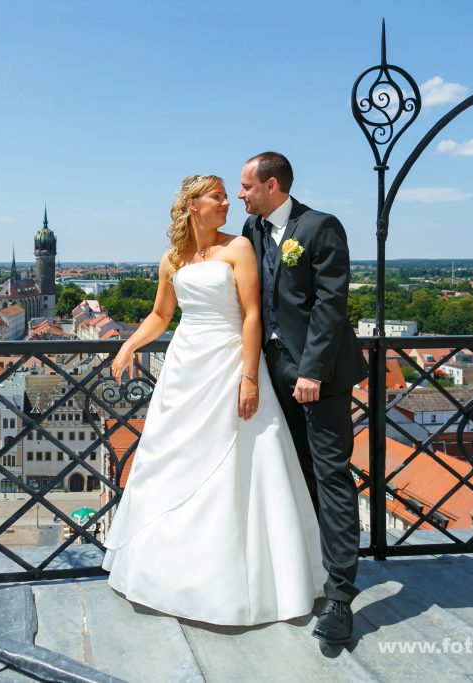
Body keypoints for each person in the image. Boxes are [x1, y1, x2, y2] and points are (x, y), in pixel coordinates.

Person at [101, 174, 327, 626]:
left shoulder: (238, 248)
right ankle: (167, 575)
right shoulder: (170, 259)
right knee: (172, 462)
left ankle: (244, 581)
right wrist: (128, 346)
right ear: (192, 205)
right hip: (185, 369)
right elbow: (162, 315)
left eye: (228, 195)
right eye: (217, 197)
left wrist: (248, 377)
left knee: (238, 466)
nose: (228, 203)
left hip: (229, 365)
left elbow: (252, 315)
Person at [239, 152, 368, 644]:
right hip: (272, 377)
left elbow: (331, 304)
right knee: (292, 473)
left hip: (321, 376)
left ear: (272, 185)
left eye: (247, 186)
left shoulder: (320, 227)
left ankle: (340, 595)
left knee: (330, 475)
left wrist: (311, 370)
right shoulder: (252, 232)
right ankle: (308, 572)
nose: (241, 196)